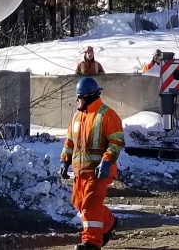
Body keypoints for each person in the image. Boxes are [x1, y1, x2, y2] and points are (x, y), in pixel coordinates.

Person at [60, 77, 125, 249]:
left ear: (87, 96)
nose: (77, 101)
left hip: (99, 172)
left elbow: (116, 142)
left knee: (90, 204)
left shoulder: (107, 115)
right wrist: (65, 161)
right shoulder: (77, 117)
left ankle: (91, 242)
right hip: (80, 172)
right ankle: (109, 222)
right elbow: (69, 141)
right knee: (80, 204)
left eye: (79, 97)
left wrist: (106, 161)